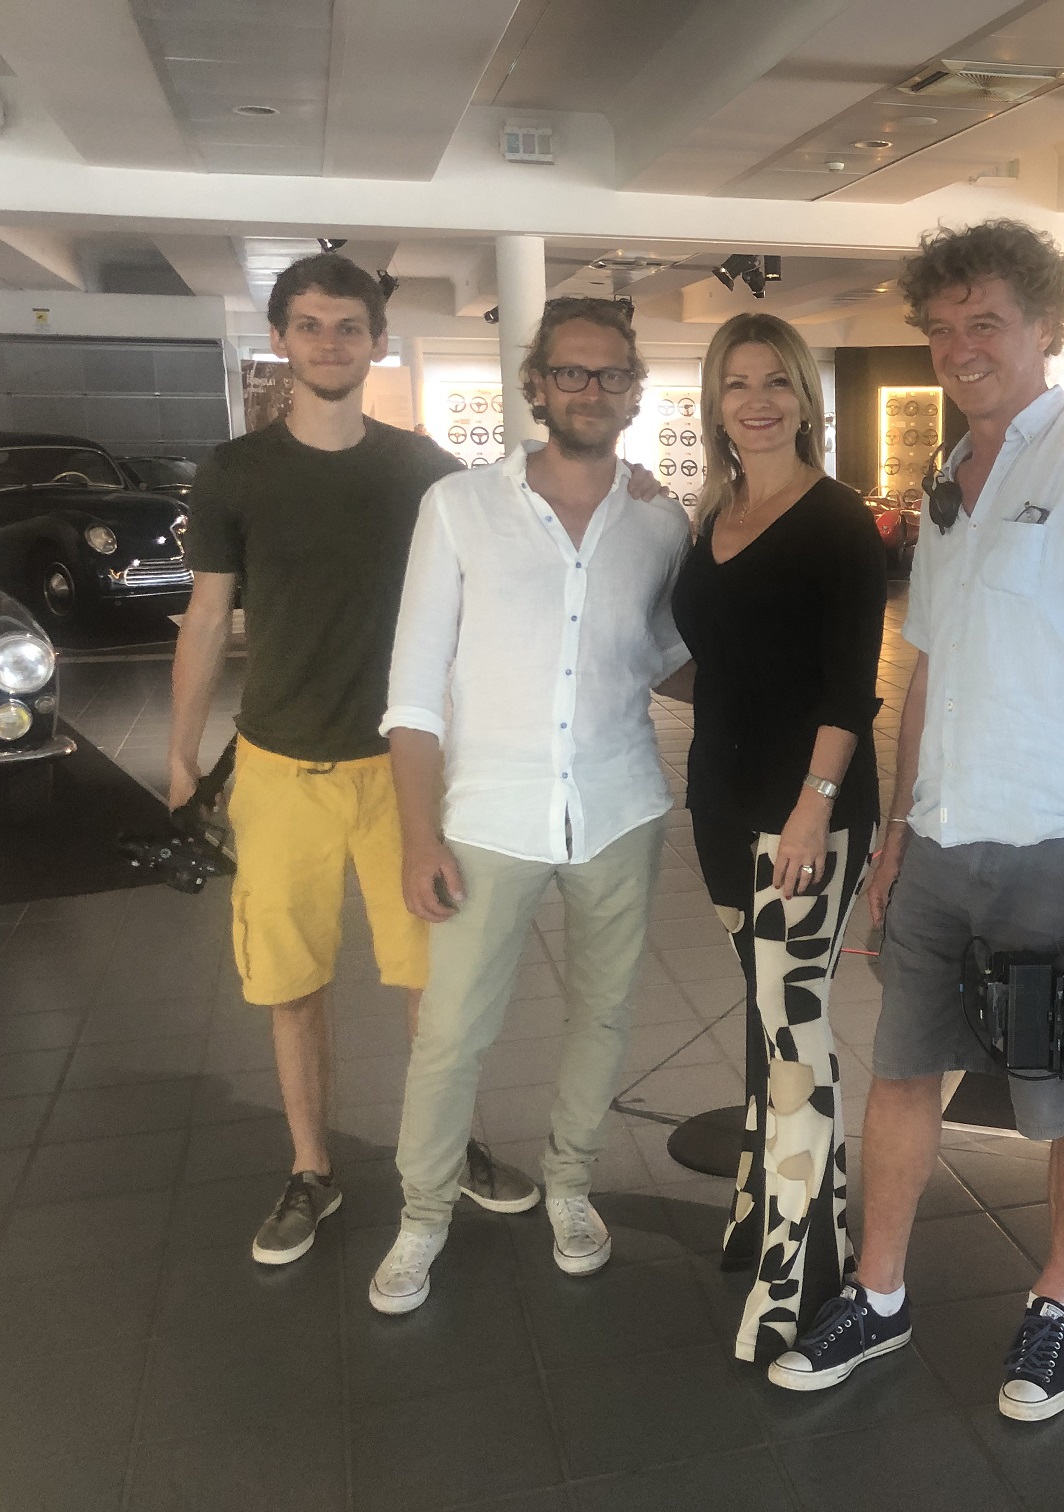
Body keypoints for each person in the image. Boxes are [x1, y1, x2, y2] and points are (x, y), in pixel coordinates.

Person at [766, 220, 1064, 1422]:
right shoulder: (946, 482)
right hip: (944, 842)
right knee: (906, 1071)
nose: (962, 347)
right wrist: (899, 831)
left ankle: (1058, 1301)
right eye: (943, 327)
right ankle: (879, 1293)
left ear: (1045, 326)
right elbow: (930, 673)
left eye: (987, 322)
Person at [170, 253, 538, 1264]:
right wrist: (180, 757)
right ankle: (310, 1169)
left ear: (377, 341)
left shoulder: (425, 471)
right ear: (280, 339)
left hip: (402, 773)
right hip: (277, 769)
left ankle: (447, 1148)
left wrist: (626, 481)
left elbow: (512, 558)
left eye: (348, 327)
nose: (329, 342)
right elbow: (206, 619)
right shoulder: (235, 472)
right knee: (290, 984)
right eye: (310, 325)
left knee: (433, 983)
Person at [368, 297, 695, 1312]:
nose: (590, 390)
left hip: (618, 805)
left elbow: (669, 659)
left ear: (633, 392)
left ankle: (570, 1184)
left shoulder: (661, 521)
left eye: (610, 374)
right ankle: (423, 1212)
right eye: (570, 372)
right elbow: (414, 689)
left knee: (603, 1013)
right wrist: (417, 835)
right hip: (487, 816)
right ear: (537, 385)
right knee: (452, 1031)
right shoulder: (459, 507)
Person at [671, 312, 886, 1362]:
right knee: (766, 1027)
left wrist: (812, 805)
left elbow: (849, 687)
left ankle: (799, 1277)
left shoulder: (838, 522)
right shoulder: (714, 512)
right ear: (715, 404)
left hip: (806, 814)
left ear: (806, 398)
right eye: (736, 383)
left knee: (795, 1037)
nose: (756, 401)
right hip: (720, 803)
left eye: (776, 382)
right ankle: (769, 1211)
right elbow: (716, 660)